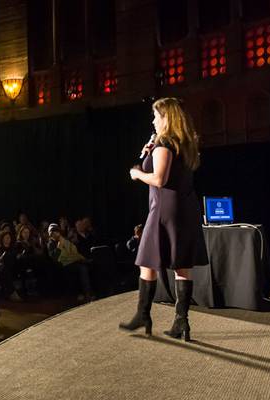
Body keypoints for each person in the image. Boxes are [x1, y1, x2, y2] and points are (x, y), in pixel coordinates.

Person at [119, 97, 208, 341]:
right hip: (185, 208)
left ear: (166, 118)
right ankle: (181, 322)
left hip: (164, 210)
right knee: (181, 265)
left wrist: (137, 173)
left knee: (147, 261)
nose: (153, 120)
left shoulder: (165, 142)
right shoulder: (185, 143)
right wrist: (150, 152)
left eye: (156, 116)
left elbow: (159, 179)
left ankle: (143, 315)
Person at [47, 224, 93, 302]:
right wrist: (60, 245)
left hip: (71, 261)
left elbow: (73, 251)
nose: (56, 233)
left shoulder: (64, 240)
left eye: (57, 231)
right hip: (62, 264)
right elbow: (55, 258)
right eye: (53, 232)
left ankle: (89, 292)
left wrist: (80, 257)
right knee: (82, 269)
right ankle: (87, 294)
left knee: (87, 265)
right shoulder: (50, 244)